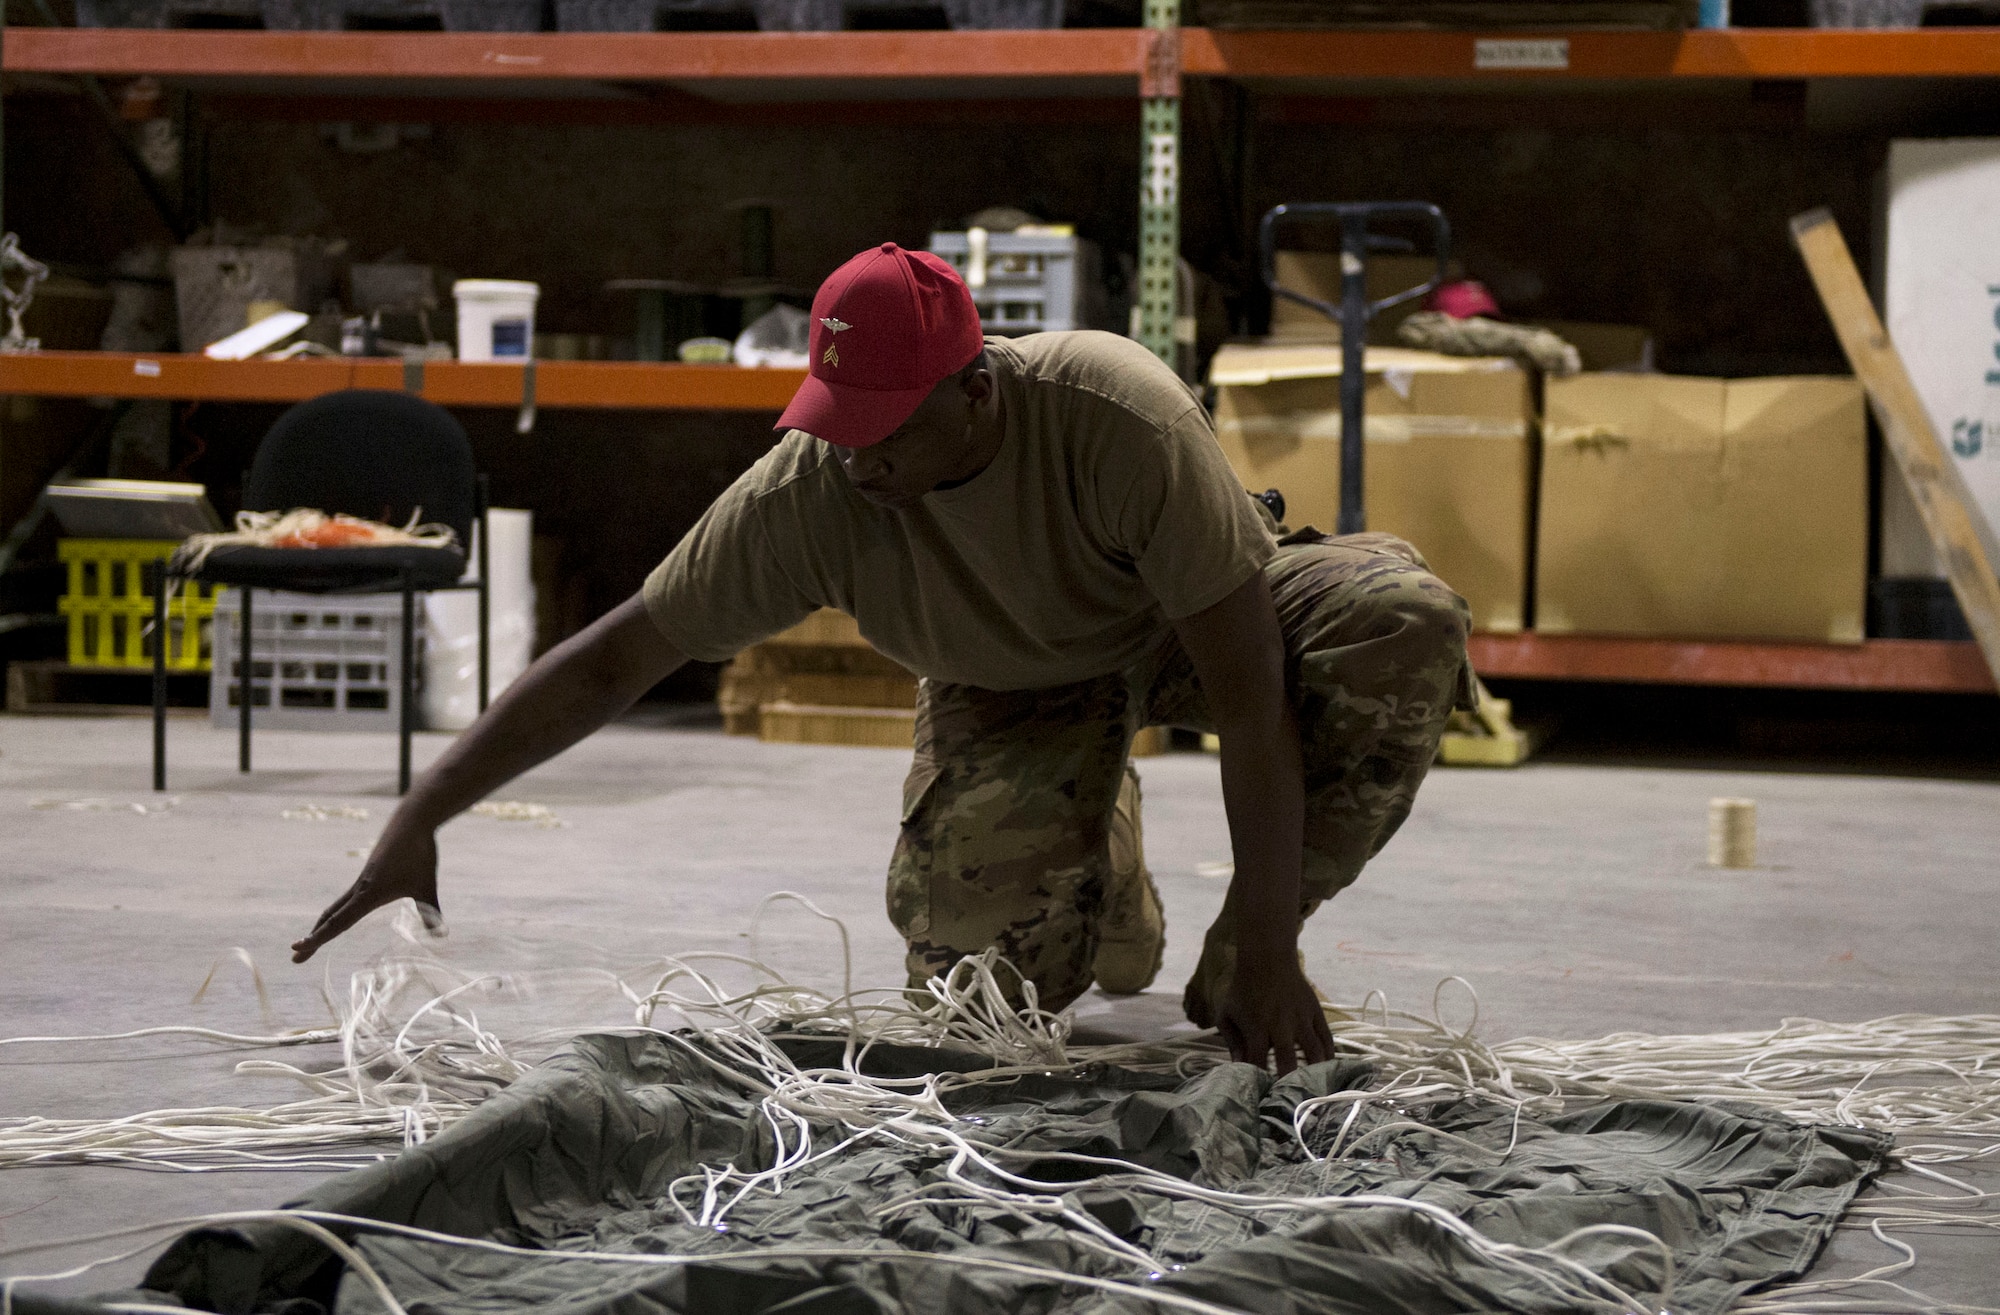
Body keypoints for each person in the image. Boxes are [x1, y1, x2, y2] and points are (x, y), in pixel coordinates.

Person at [291, 242, 1472, 1075]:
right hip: (1005, 683)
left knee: (1401, 619)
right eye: (835, 421)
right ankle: (1095, 835)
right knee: (988, 1007)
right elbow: (615, 660)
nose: (857, 460)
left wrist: (1265, 937)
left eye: (887, 429)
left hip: (1182, 628)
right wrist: (425, 811)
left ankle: (1225, 946)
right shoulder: (813, 483)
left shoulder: (1117, 416)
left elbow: (1248, 690)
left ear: (976, 391)